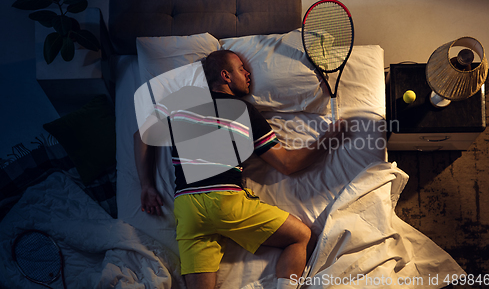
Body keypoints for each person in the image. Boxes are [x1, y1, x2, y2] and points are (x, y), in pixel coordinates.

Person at [134, 50, 345, 289]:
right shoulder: (244, 111)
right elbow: (287, 164)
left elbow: (140, 136)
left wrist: (147, 185)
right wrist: (328, 139)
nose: (248, 74)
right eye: (241, 68)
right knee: (300, 237)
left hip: (187, 207)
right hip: (225, 202)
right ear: (225, 75)